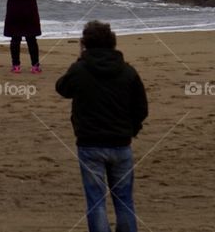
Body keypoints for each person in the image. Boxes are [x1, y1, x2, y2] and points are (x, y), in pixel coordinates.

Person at [56, 21, 149, 232]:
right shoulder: (127, 71)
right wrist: (131, 129)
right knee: (124, 200)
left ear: (85, 44)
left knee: (96, 200)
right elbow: (141, 108)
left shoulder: (80, 69)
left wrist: (80, 59)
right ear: (112, 43)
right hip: (120, 143)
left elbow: (62, 88)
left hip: (90, 144)